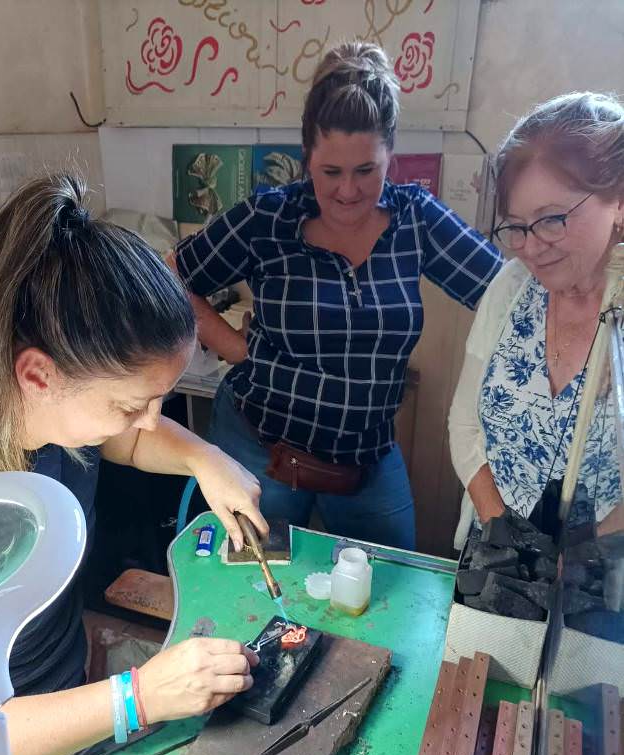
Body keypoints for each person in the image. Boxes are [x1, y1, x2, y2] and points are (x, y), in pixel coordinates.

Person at [0, 173, 268, 755]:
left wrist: (206, 458)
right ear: (37, 375)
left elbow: (124, 440)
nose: (148, 421)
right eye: (129, 404)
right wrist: (136, 698)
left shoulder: (48, 419)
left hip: (65, 720)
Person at [172, 41, 503, 552]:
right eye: (331, 172)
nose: (348, 191)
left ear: (390, 156)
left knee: (393, 581)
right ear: (307, 158)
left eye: (366, 170)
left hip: (365, 461)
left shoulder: (416, 219)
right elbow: (169, 276)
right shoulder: (269, 218)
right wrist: (235, 347)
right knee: (249, 587)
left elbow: (508, 294)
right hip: (259, 450)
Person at [449, 92, 624, 549]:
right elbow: (465, 426)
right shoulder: (511, 288)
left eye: (551, 220)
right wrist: (502, 534)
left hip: (599, 573)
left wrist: (574, 558)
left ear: (619, 201)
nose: (531, 247)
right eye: (516, 226)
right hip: (494, 553)